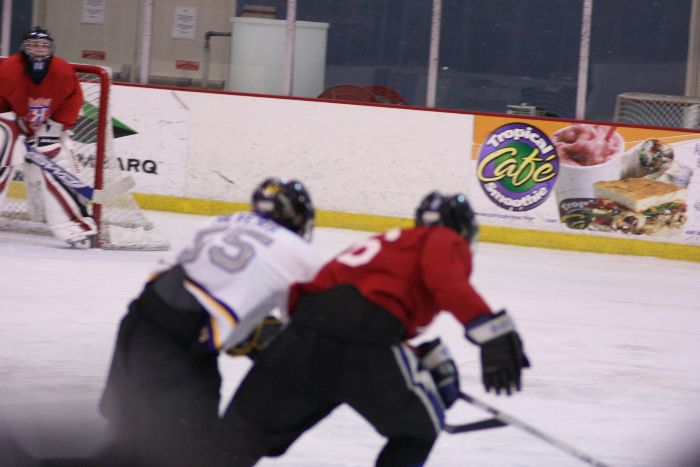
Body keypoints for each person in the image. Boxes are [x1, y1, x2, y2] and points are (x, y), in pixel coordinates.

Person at [210, 191, 531, 466]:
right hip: (366, 341)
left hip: (304, 333)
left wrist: (411, 354)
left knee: (239, 437)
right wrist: (491, 331)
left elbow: (325, 303)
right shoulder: (442, 239)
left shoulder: (385, 244)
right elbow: (445, 284)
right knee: (418, 429)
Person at [96, 178, 324, 466]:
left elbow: (194, 282)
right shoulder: (301, 254)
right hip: (177, 346)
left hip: (137, 321)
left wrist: (241, 328)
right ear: (300, 218)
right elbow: (309, 329)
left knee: (125, 439)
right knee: (189, 452)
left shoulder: (220, 221)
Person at [0, 26, 96, 248]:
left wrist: (56, 126)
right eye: (34, 45)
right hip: (15, 122)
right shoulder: (9, 70)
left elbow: (73, 98)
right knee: (2, 144)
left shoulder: (62, 71)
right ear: (24, 48)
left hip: (49, 125)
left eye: (44, 46)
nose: (39, 50)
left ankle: (74, 225)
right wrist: (16, 124)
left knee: (58, 158)